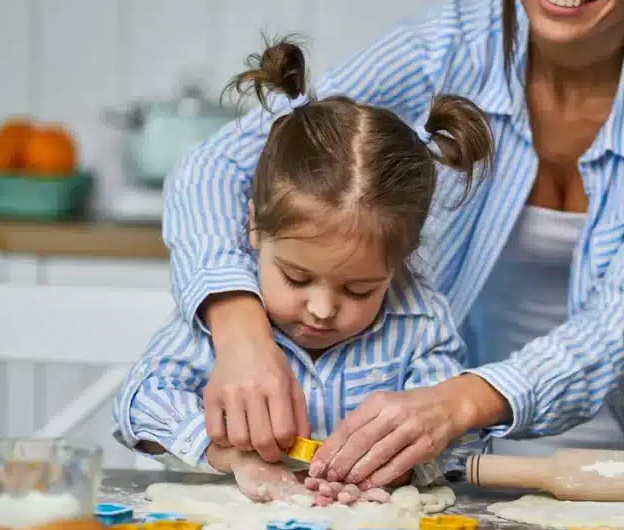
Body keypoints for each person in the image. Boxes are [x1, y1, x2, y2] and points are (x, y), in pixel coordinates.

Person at [162, 0, 624, 496]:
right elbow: (215, 167)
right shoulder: (443, 46)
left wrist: (456, 401)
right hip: (477, 450)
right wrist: (241, 331)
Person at [112, 39, 494, 504]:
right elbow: (140, 403)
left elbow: (460, 440)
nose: (321, 309)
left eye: (358, 289)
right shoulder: (221, 319)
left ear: (401, 260)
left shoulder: (420, 322)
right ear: (253, 227)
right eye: (296, 278)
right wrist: (231, 455)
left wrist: (401, 465)